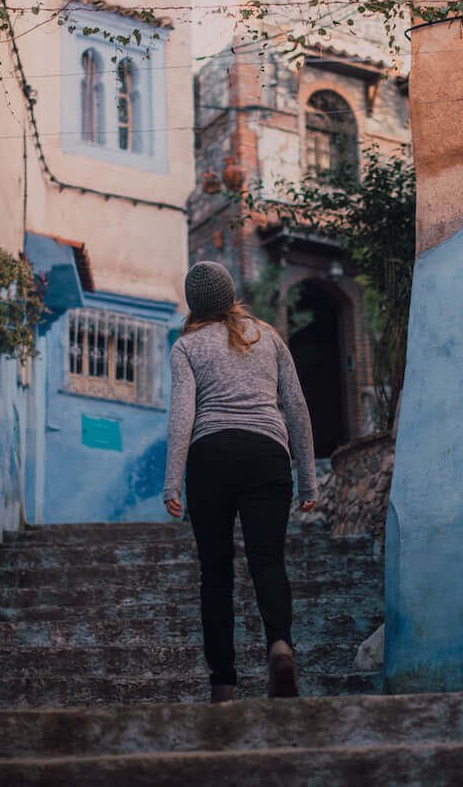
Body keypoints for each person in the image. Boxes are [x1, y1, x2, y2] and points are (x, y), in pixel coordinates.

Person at [164, 261, 317, 703]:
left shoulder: (187, 347)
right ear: (231, 295)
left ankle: (223, 684)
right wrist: (307, 481)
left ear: (194, 305)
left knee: (215, 572)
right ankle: (280, 646)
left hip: (211, 456)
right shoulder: (267, 337)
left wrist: (173, 482)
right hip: (267, 455)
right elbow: (297, 408)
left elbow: (183, 416)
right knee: (266, 558)